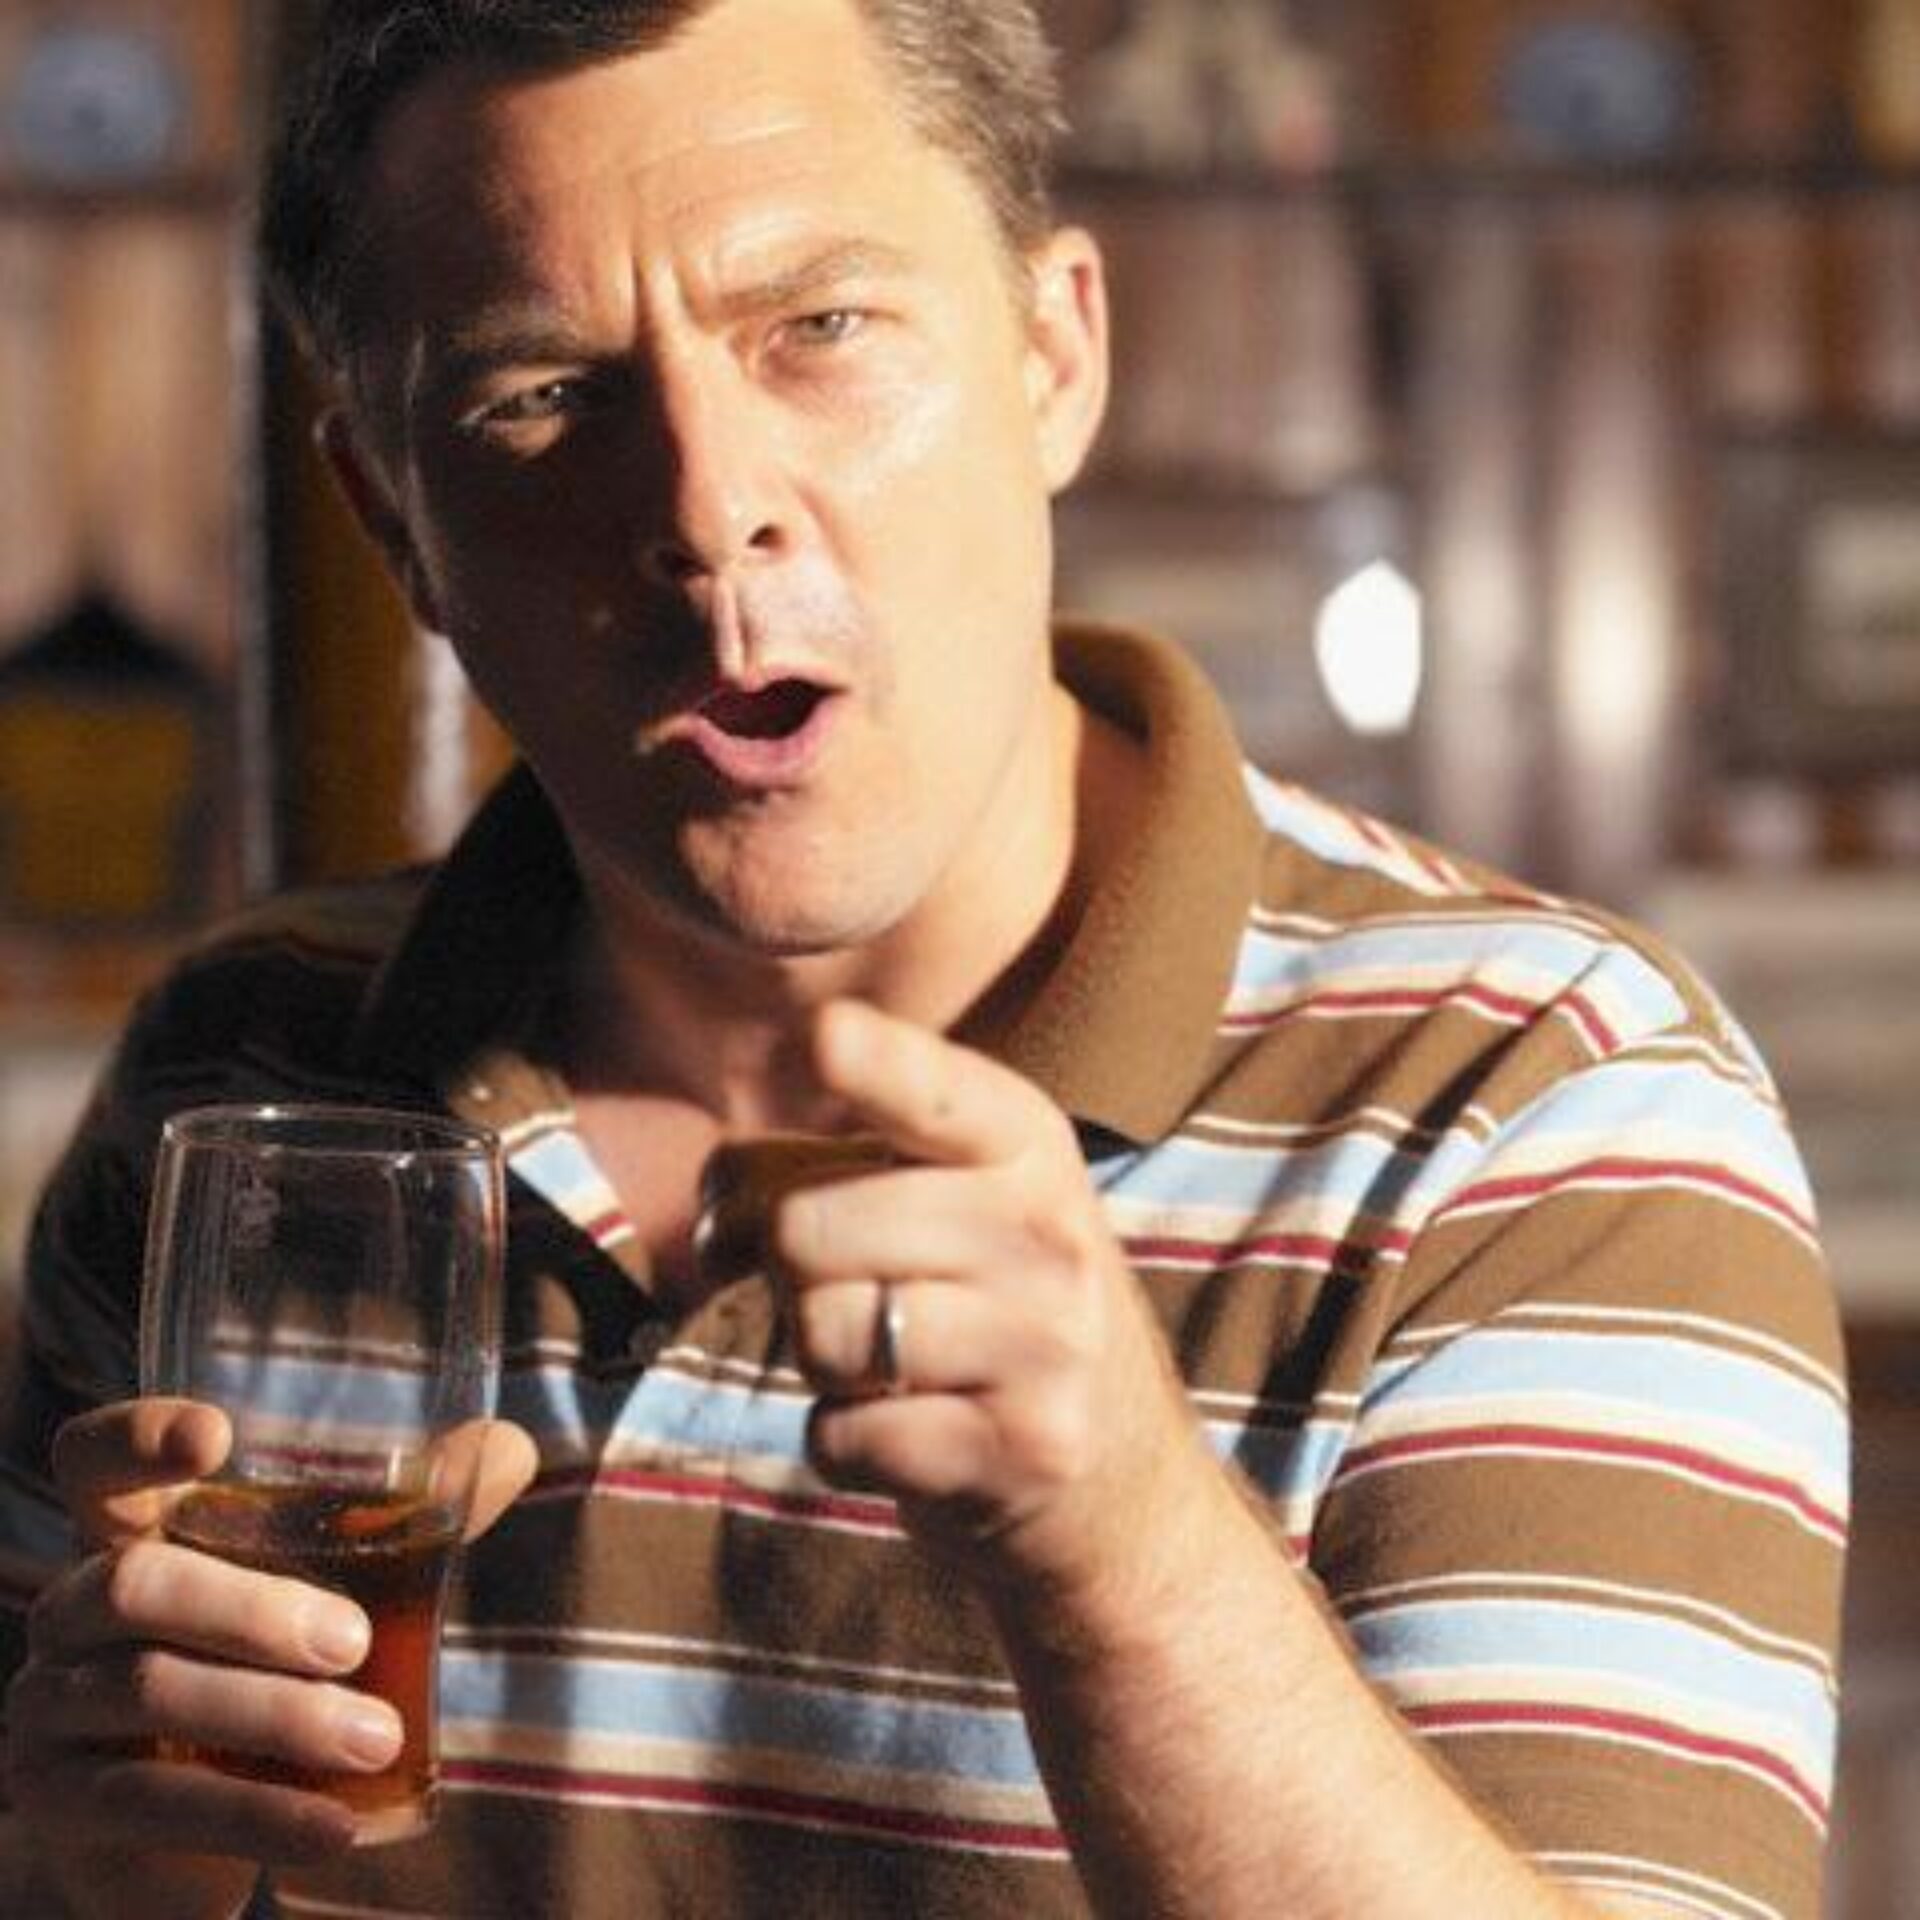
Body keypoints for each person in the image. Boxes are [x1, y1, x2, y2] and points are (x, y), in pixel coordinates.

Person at [0, 2, 1847, 1916]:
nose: (708, 509)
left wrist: (1122, 1539)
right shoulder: (241, 1076)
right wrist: (88, 1867)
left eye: (821, 326)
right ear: (396, 518)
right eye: (540, 394)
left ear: (1056, 358)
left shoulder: (1540, 1100)